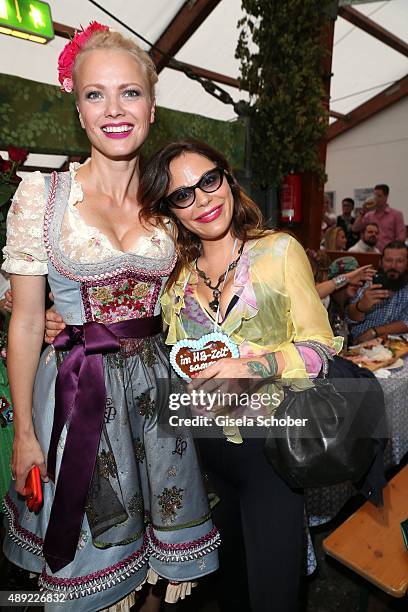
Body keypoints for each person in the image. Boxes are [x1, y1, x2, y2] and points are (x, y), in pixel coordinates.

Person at [1, 24, 219, 611]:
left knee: (154, 568)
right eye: (96, 94)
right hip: (78, 395)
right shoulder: (42, 196)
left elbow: (217, 271)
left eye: (130, 93)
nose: (114, 110)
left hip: (158, 394)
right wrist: (25, 432)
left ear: (152, 105)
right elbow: (24, 322)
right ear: (77, 107)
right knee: (96, 562)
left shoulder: (173, 198)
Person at [137, 139, 342, 612]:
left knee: (273, 594)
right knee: (227, 590)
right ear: (171, 211)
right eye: (182, 194)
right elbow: (144, 337)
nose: (203, 199)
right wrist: (62, 320)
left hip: (273, 452)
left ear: (228, 179)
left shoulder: (278, 252)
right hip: (203, 456)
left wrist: (254, 367)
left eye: (209, 181)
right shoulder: (175, 275)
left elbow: (319, 348)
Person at [347, 241, 408, 344]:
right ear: (380, 262)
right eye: (388, 260)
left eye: (400, 261)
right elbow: (349, 318)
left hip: (396, 345)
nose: (393, 266)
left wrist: (375, 331)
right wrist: (361, 306)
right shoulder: (365, 282)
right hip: (360, 345)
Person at [351, 184, 406, 252]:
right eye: (375, 196)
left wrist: (391, 250)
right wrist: (363, 212)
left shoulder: (396, 215)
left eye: (379, 196)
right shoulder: (369, 215)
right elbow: (355, 229)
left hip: (388, 253)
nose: (376, 199)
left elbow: (401, 238)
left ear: (386, 197)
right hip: (371, 253)